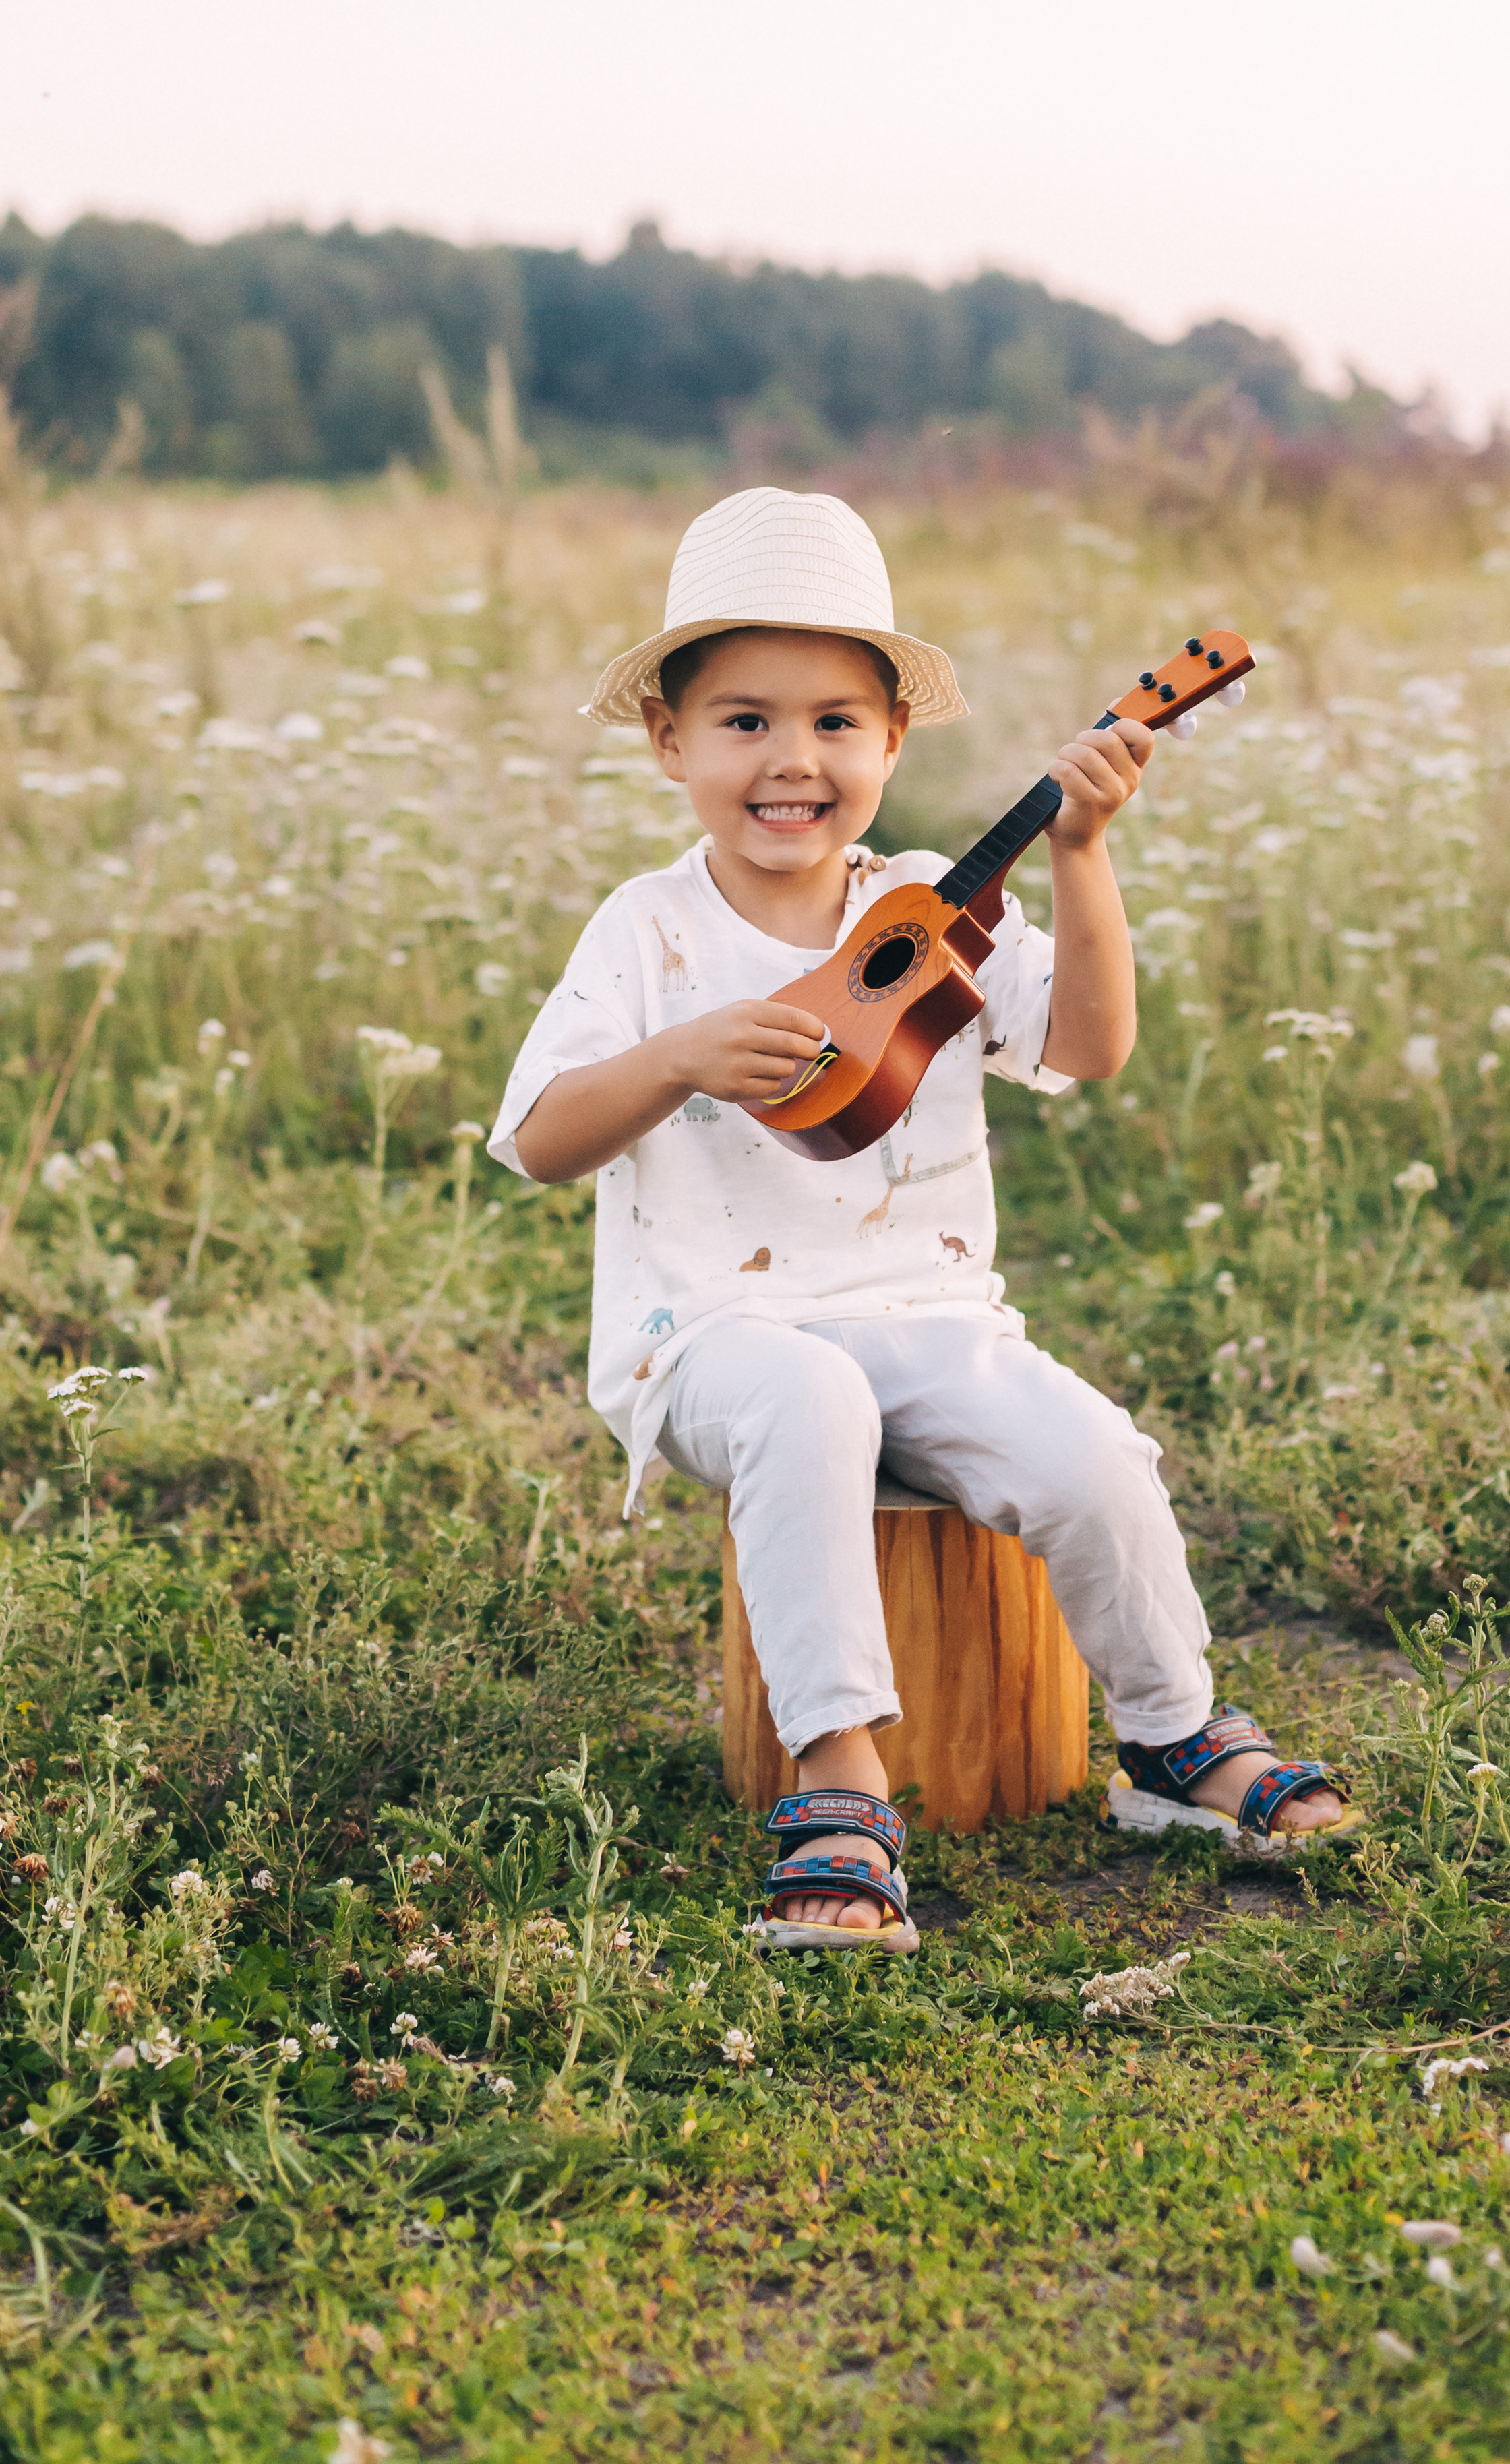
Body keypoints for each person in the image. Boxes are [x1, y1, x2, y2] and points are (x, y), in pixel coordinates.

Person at [489, 487, 1359, 1954]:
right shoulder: (645, 930)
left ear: (892, 744)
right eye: (745, 721)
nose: (792, 760)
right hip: (712, 1338)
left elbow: (1082, 1048)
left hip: (928, 1316)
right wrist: (680, 1055)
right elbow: (535, 1141)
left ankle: (1168, 1736)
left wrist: (1080, 857)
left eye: (836, 723)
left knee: (1088, 1451)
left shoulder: (930, 907)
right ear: (669, 743)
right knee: (805, 1392)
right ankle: (837, 1775)